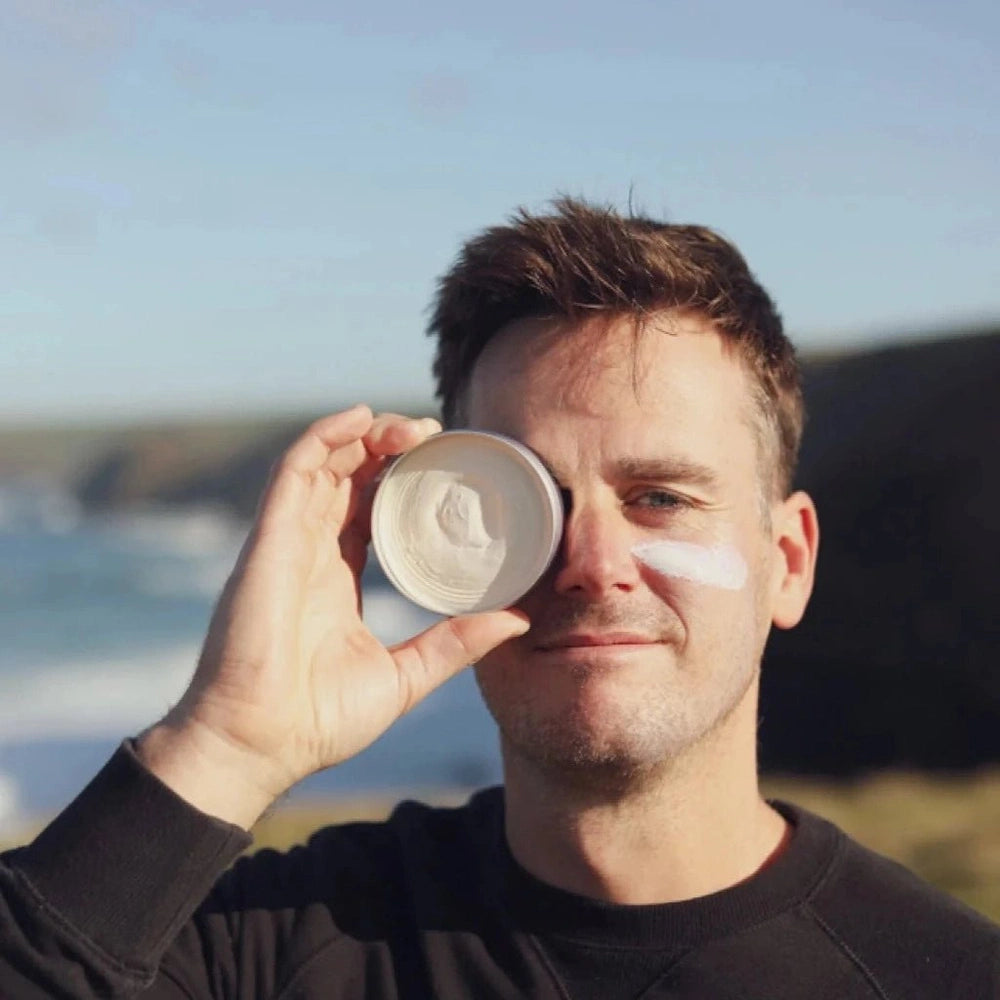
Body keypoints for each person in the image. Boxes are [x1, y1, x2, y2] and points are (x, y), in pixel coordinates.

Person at [1, 198, 997, 999]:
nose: (590, 562)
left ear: (787, 561)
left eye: (660, 497)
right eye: (529, 502)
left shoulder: (946, 976)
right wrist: (226, 746)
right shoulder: (271, 947)